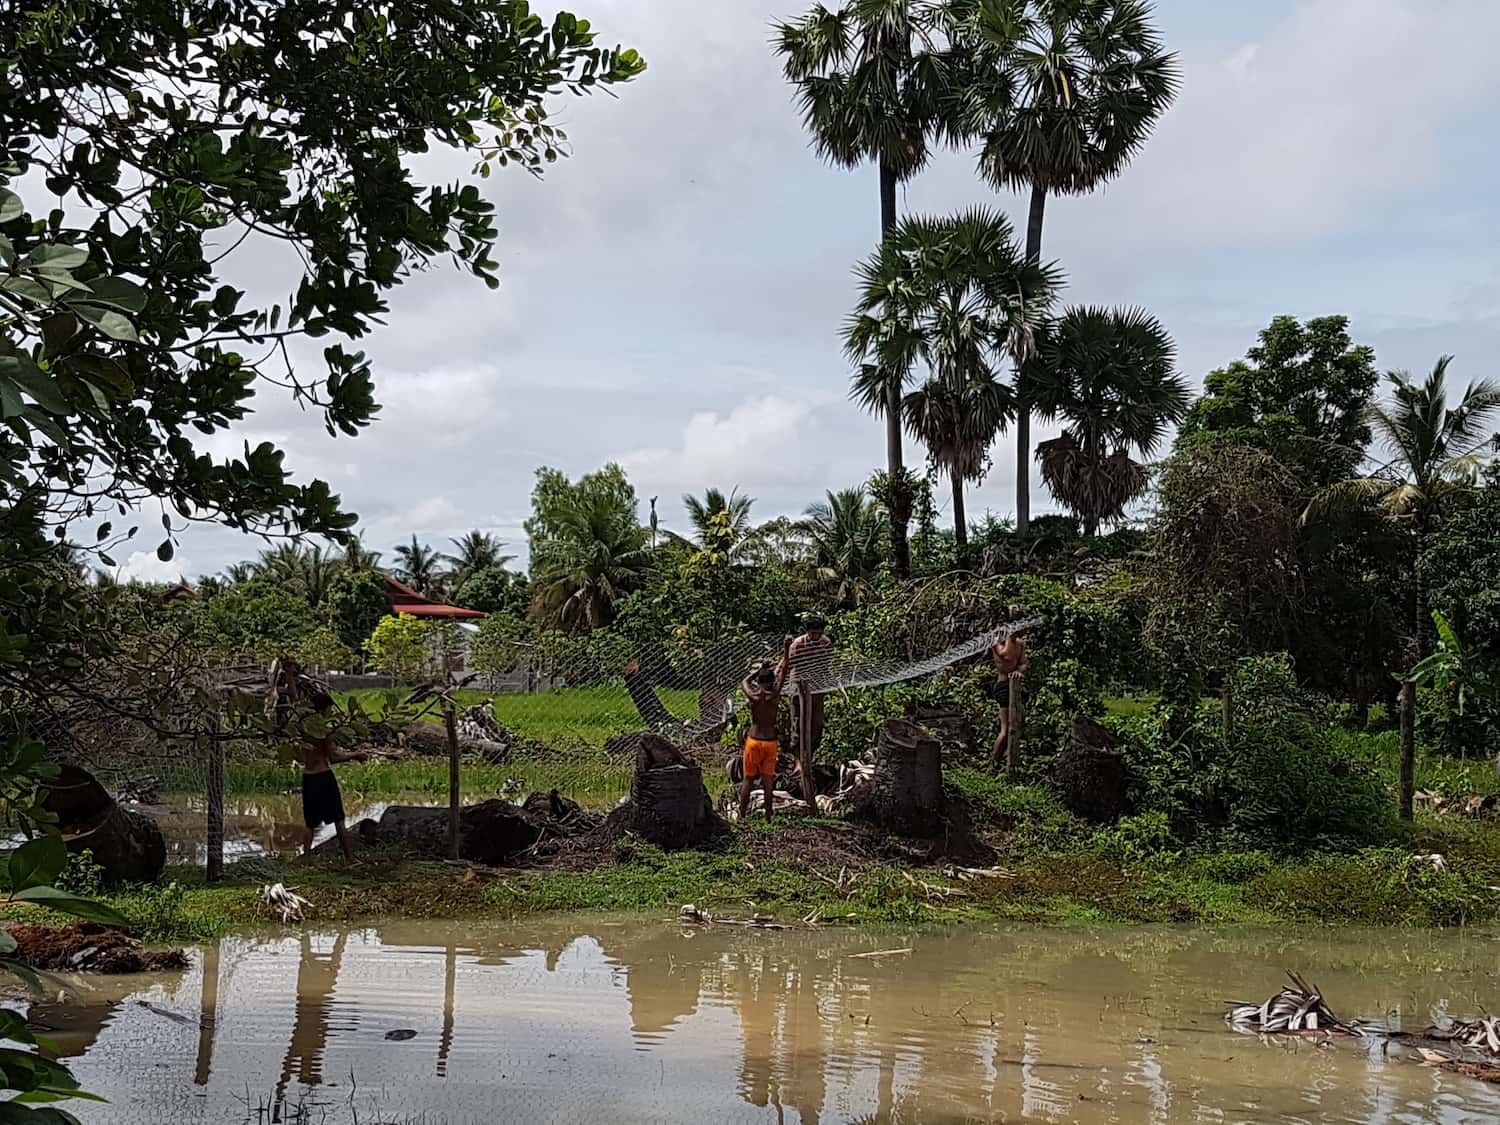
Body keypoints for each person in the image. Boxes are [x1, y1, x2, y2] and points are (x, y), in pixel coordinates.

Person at [298, 689, 367, 861]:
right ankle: (349, 858)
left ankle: (305, 859)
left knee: (310, 823)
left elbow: (293, 697)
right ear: (324, 710)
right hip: (323, 776)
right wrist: (356, 755)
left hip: (308, 777)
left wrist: (290, 677)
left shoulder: (303, 727)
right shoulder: (324, 731)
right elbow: (334, 758)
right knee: (338, 819)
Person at [739, 640, 792, 822]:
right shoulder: (775, 696)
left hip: (754, 740)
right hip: (770, 742)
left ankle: (741, 816)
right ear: (771, 682)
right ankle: (769, 817)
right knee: (768, 781)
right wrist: (786, 649)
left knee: (748, 779)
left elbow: (745, 681)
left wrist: (758, 670)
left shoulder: (753, 698)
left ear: (760, 682)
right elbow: (784, 670)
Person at [787, 615, 833, 764]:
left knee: (817, 724)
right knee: (798, 723)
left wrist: (825, 684)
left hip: (818, 687)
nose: (816, 636)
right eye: (813, 633)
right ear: (807, 632)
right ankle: (798, 762)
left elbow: (826, 666)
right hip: (799, 686)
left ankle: (810, 759)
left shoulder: (826, 643)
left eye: (819, 633)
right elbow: (794, 665)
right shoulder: (797, 645)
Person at [989, 616, 1030, 771]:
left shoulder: (1020, 644)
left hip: (1015, 686)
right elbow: (1006, 656)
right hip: (1003, 686)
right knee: (1006, 729)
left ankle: (1009, 762)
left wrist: (1019, 671)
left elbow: (1023, 662)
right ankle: (992, 767)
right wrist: (1011, 638)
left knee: (1018, 723)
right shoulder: (998, 642)